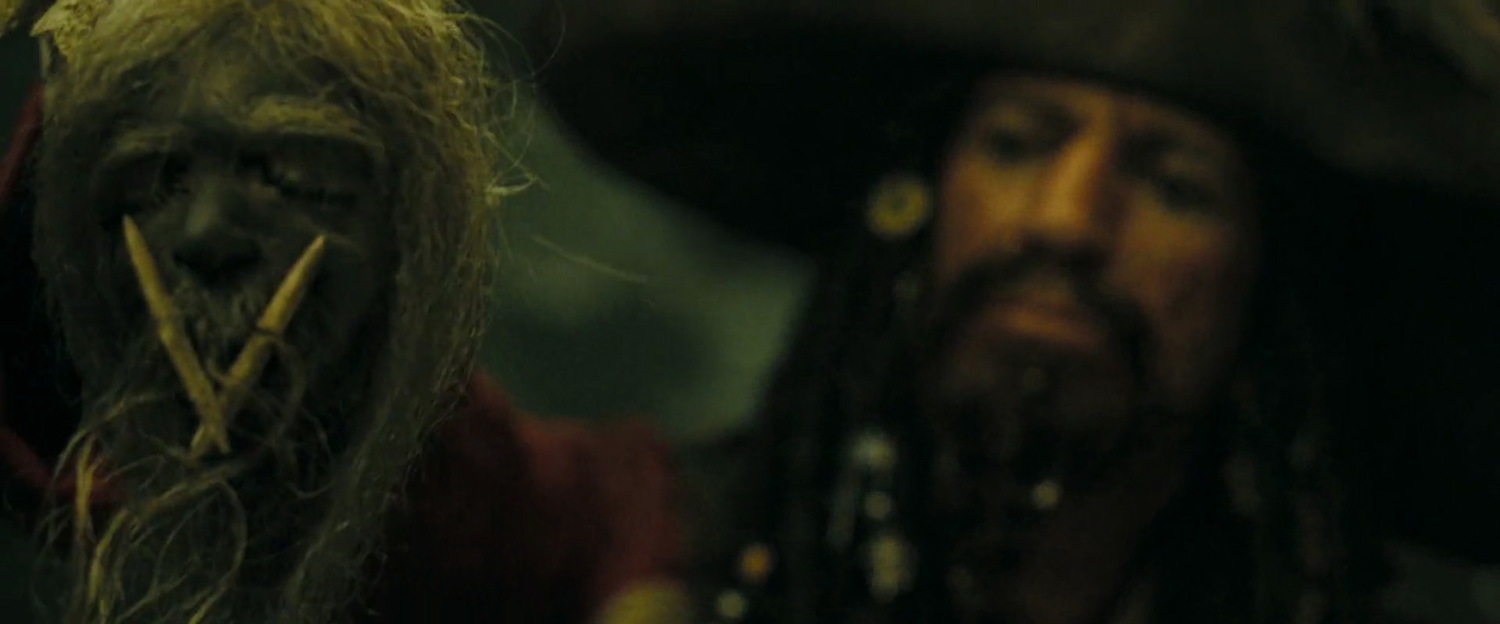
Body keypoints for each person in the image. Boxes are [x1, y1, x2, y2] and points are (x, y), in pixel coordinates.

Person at [532, 0, 1500, 622]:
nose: (1067, 220)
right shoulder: (631, 535)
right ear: (917, 208)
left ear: (1265, 294)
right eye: (1017, 143)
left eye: (1174, 187)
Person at [0, 1, 687, 622]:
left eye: (295, 179)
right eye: (156, 180)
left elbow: (601, 495)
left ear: (409, 233)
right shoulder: (36, 434)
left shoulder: (427, 460)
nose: (206, 232)